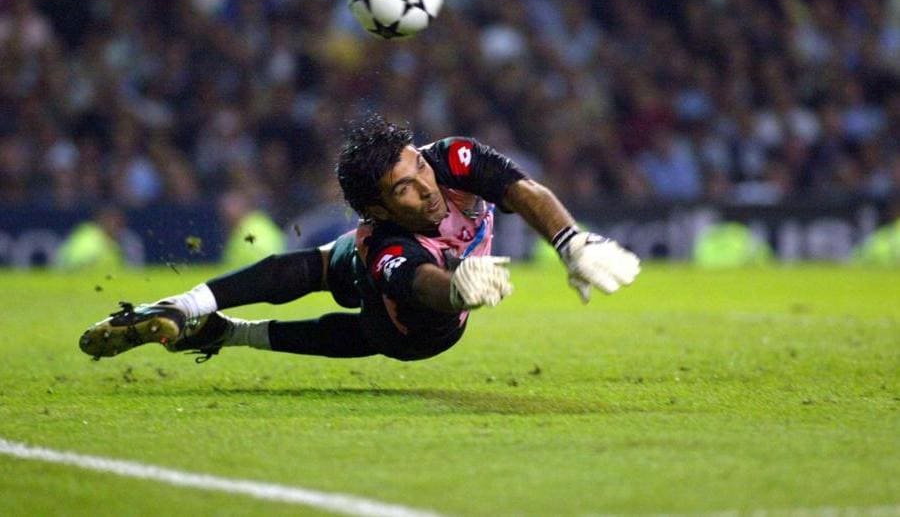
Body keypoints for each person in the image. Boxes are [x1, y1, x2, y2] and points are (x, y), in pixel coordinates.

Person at [79, 115, 641, 363]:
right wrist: (457, 287)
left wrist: (571, 242)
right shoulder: (387, 244)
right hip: (412, 313)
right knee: (343, 283)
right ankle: (210, 323)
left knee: (328, 266)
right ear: (376, 208)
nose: (424, 187)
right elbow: (422, 285)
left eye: (416, 167)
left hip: (427, 333)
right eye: (403, 188)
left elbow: (521, 190)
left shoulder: (451, 158)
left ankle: (201, 315)